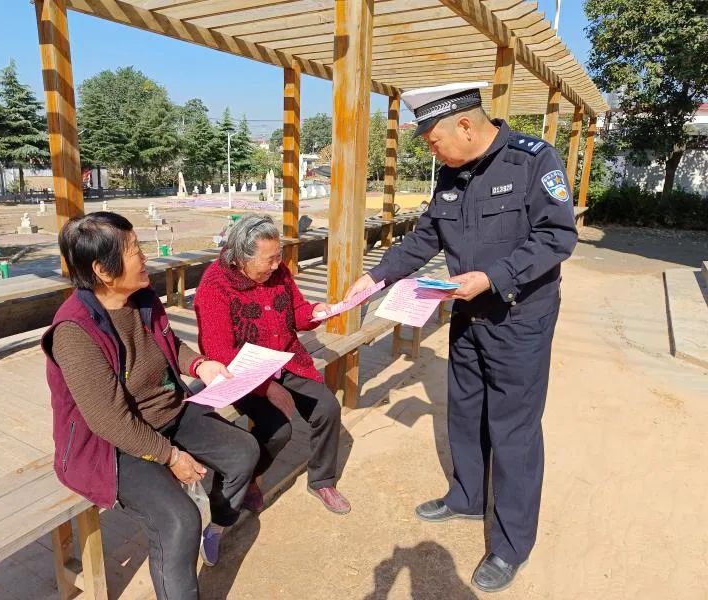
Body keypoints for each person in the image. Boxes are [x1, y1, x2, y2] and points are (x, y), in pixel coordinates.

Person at [344, 82, 577, 593]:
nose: (432, 151)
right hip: (467, 316)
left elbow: (557, 237)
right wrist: (376, 277)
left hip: (519, 319)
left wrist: (492, 277)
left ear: (465, 125)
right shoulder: (451, 176)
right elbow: (427, 235)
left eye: (432, 141)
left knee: (513, 430)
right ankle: (468, 496)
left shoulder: (532, 161)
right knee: (466, 410)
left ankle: (511, 544)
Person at [41, 212, 259, 599]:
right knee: (177, 520)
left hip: (167, 412)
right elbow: (110, 421)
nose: (144, 257)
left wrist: (199, 364)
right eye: (133, 250)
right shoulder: (74, 332)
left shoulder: (141, 298)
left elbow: (169, 344)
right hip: (109, 445)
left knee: (244, 451)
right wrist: (170, 456)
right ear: (102, 270)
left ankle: (219, 525)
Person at [194, 214, 351, 517]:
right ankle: (249, 477)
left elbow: (298, 312)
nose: (277, 265)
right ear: (240, 259)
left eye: (278, 256)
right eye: (269, 259)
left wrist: (317, 312)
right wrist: (267, 389)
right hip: (241, 372)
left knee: (327, 409)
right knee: (278, 429)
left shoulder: (278, 272)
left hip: (285, 358)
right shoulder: (215, 286)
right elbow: (220, 352)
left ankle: (322, 480)